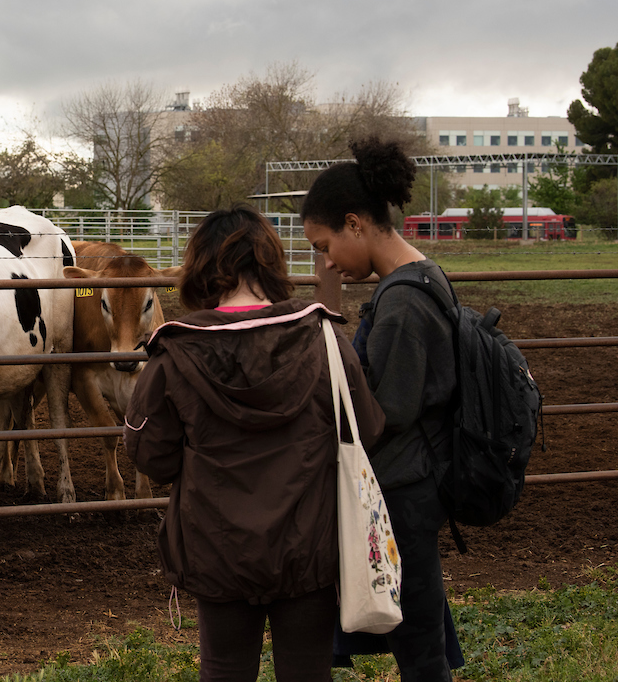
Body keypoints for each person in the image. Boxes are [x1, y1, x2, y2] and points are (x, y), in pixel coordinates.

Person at [124, 205, 385, 682]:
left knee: (224, 669)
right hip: (309, 549)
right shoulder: (326, 340)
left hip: (218, 551)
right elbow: (366, 431)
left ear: (198, 267)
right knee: (308, 670)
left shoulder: (173, 355)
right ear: (272, 263)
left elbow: (153, 459)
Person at [301, 136, 459, 681]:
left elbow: (381, 413)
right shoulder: (423, 276)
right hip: (417, 484)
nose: (325, 260)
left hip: (403, 494)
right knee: (424, 640)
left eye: (324, 245)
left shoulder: (401, 305)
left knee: (421, 655)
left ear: (355, 223)